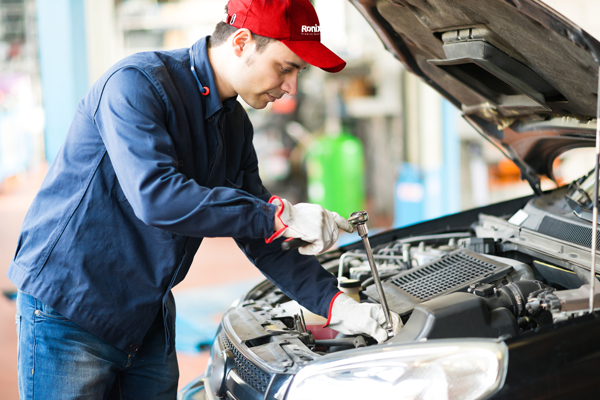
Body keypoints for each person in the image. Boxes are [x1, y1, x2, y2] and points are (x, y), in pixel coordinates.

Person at [9, 0, 401, 398]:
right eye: (286, 68)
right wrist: (278, 216)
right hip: (71, 308)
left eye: (298, 72)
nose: (291, 88)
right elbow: (157, 198)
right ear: (243, 42)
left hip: (147, 315)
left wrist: (338, 306)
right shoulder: (136, 85)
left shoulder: (234, 126)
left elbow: (263, 238)